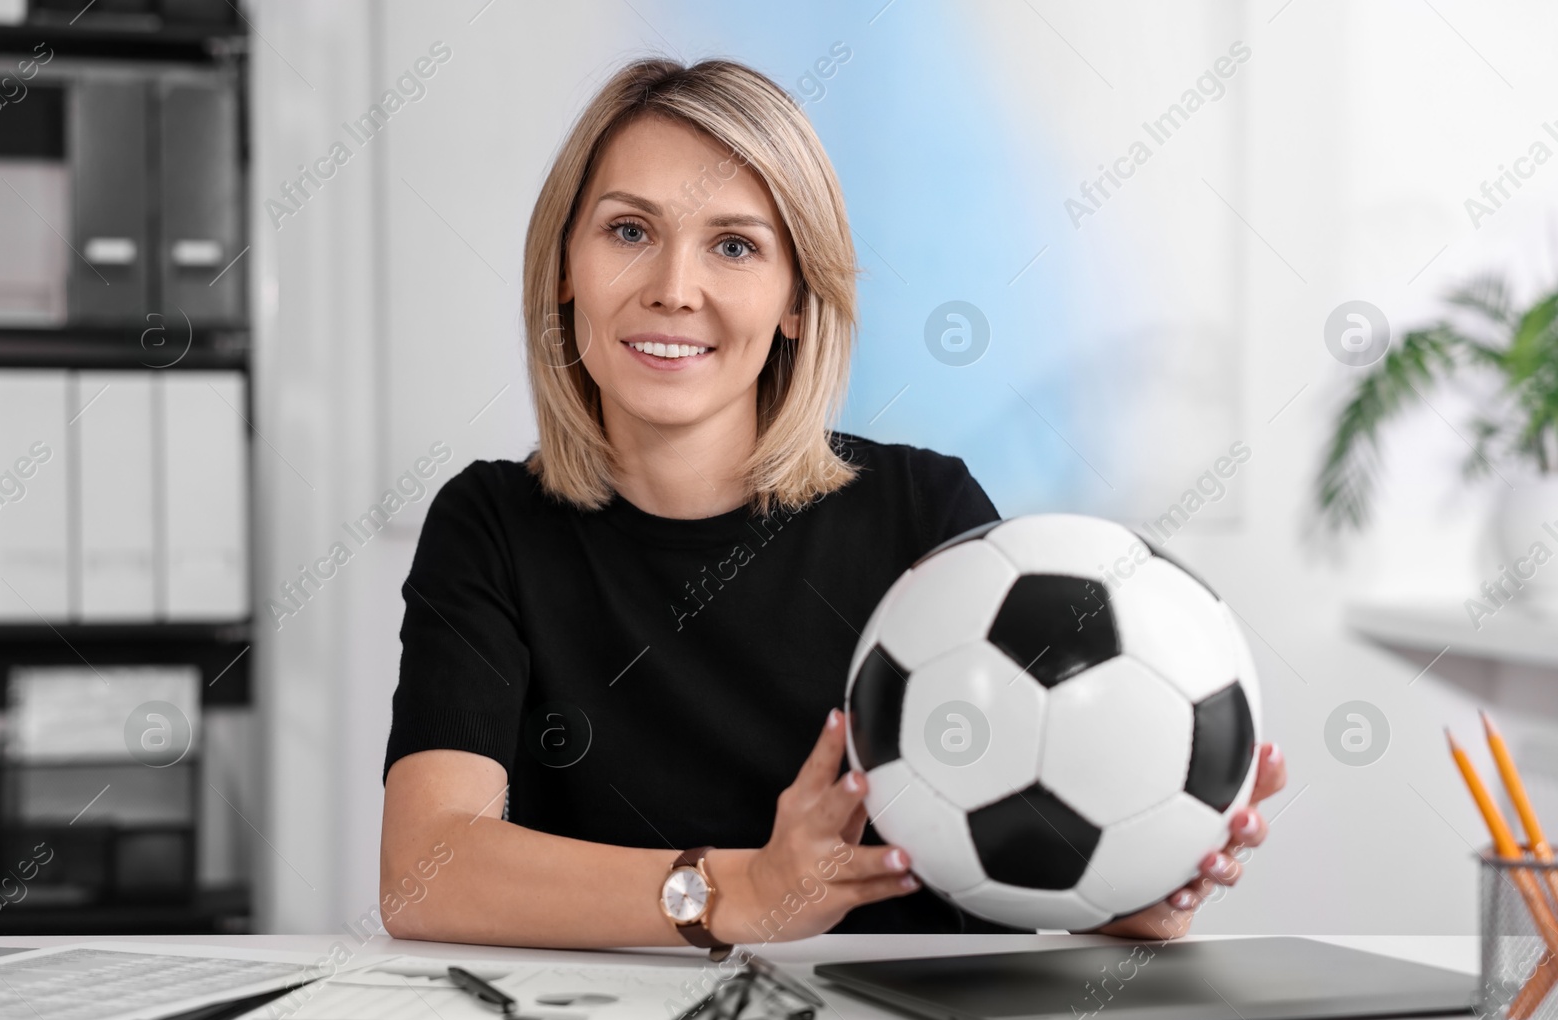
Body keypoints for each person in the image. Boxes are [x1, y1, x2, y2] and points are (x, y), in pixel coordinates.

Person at [379, 56, 1287, 950]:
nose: (673, 288)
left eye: (735, 246)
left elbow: (1042, 837)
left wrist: (1140, 889)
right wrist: (743, 893)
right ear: (565, 263)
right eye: (628, 230)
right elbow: (425, 872)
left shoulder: (924, 516)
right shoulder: (491, 524)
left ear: (797, 303)